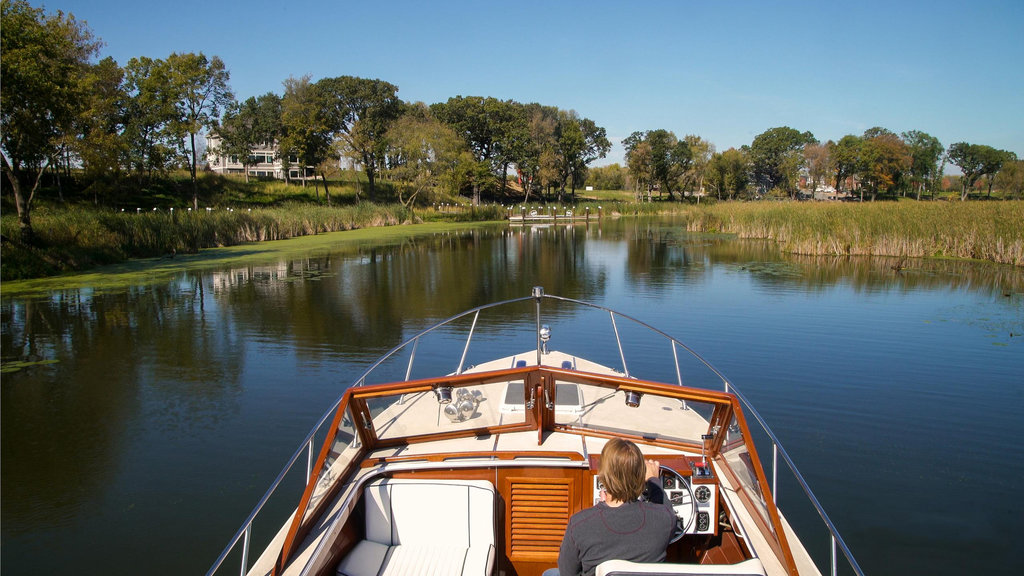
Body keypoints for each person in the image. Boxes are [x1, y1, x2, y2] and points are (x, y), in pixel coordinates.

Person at [545, 438, 676, 576]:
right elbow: (665, 509)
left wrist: (599, 510)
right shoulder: (665, 519)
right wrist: (653, 481)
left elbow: (567, 572)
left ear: (603, 476)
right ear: (640, 475)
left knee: (550, 573)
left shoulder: (579, 524)